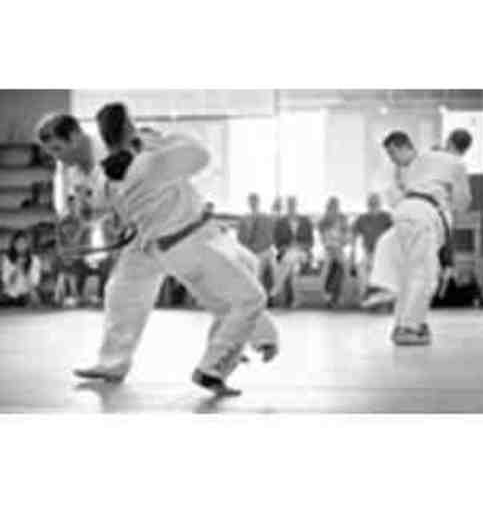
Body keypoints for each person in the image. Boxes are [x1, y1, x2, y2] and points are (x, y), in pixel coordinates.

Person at [72, 103, 279, 396]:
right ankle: (213, 365)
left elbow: (94, 210)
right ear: (129, 126)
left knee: (231, 293)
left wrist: (84, 206)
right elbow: (201, 154)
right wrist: (159, 139)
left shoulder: (107, 174)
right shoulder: (150, 161)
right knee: (248, 297)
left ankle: (237, 354)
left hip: (169, 245)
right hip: (188, 242)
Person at [376, 130, 471, 345]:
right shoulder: (456, 163)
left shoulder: (422, 157)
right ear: (465, 150)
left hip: (403, 212)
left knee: (408, 274)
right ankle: (410, 328)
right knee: (424, 276)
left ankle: (402, 324)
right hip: (424, 215)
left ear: (448, 140)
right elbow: (462, 202)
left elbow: (400, 183)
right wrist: (450, 197)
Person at [271, 196, 314, 307]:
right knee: (294, 269)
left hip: (302, 253)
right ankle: (296, 300)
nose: (291, 207)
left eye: (293, 204)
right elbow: (277, 243)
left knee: (290, 259)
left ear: (296, 205)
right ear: (287, 206)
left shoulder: (305, 221)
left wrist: (300, 246)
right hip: (287, 253)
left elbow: (311, 242)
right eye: (289, 204)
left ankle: (275, 290)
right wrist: (285, 247)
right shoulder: (281, 222)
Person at [350, 193, 393, 300]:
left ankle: (380, 297)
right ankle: (364, 295)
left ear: (379, 204)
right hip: (368, 252)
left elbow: (395, 233)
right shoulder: (362, 218)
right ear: (368, 205)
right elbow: (353, 235)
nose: (373, 206)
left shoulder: (386, 217)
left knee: (380, 273)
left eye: (375, 203)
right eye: (371, 203)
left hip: (383, 253)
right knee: (362, 270)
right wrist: (352, 253)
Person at [237, 193, 276, 296]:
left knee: (261, 266)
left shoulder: (266, 218)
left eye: (255, 201)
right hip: (249, 251)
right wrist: (248, 250)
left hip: (264, 251)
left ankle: (261, 295)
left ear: (258, 202)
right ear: (248, 203)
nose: (253, 203)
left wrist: (259, 249)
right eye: (251, 201)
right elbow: (240, 239)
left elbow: (270, 239)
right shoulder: (244, 219)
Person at [317, 197, 349, 308]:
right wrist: (332, 248)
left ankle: (335, 296)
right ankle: (327, 295)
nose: (334, 210)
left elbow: (345, 240)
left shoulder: (343, 219)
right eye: (331, 208)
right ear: (328, 208)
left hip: (339, 249)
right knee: (327, 265)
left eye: (335, 207)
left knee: (344, 266)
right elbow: (323, 241)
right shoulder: (323, 222)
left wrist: (338, 246)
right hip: (327, 250)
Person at [0, 230, 42, 307]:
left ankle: (24, 302)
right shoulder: (7, 259)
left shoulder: (34, 259)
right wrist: (17, 268)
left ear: (27, 245)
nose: (21, 246)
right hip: (11, 293)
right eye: (18, 243)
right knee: (2, 297)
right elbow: (6, 281)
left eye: (23, 243)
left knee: (30, 298)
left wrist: (24, 270)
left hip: (27, 293)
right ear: (13, 245)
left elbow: (34, 282)